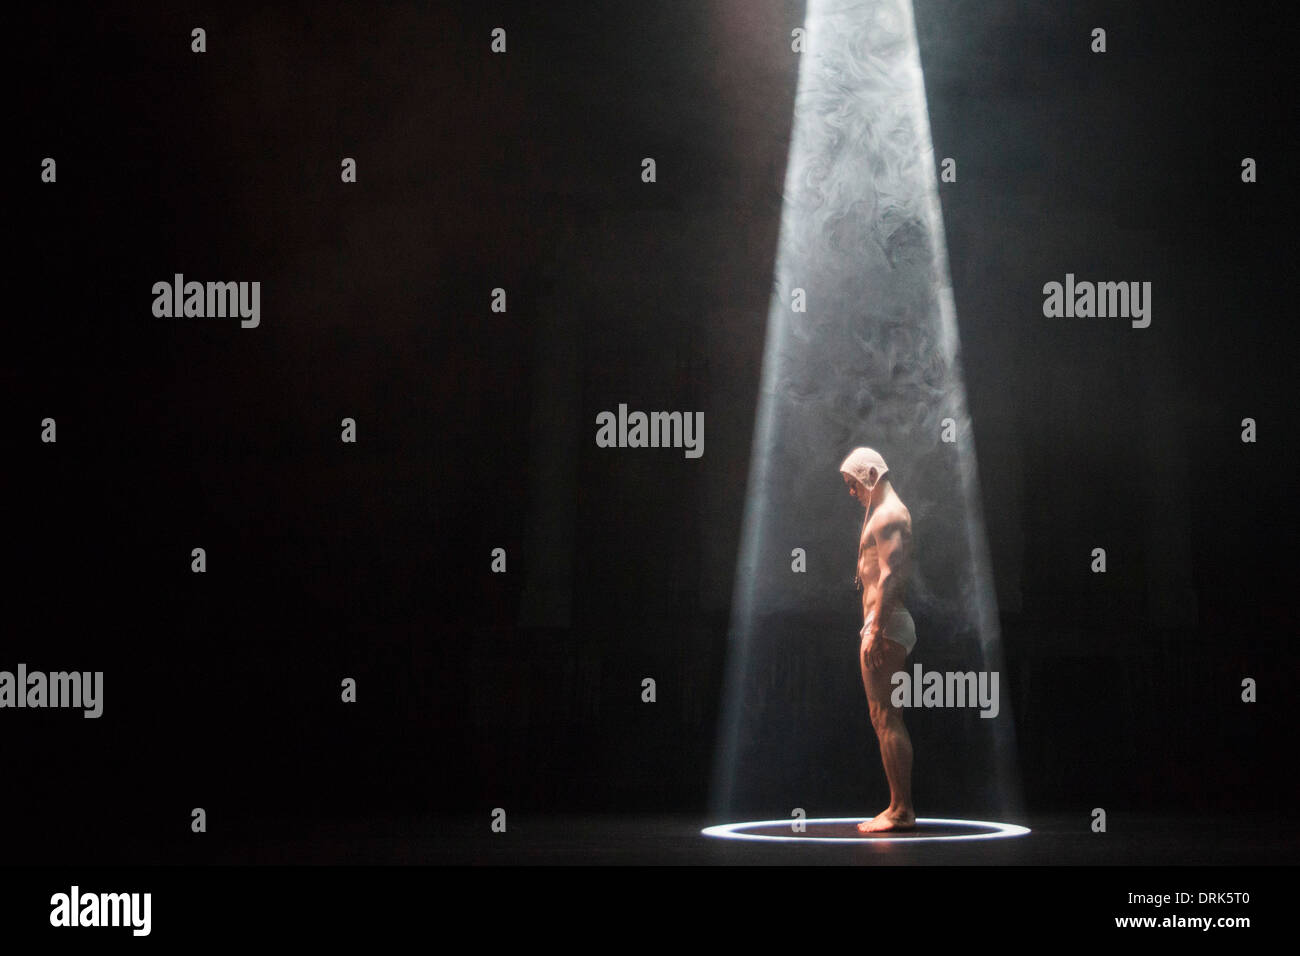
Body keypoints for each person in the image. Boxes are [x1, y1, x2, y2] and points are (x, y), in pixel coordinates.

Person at [840, 447, 916, 832]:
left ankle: (901, 810)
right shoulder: (885, 513)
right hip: (882, 623)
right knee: (882, 716)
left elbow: (889, 576)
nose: (852, 493)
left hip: (885, 624)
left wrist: (874, 628)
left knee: (887, 717)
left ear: (870, 473)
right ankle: (897, 805)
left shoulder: (888, 514)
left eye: (853, 484)